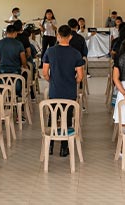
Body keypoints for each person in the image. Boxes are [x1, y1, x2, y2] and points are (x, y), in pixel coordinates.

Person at [42, 25, 84, 157]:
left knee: (53, 117)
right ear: (70, 37)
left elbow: (45, 73)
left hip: (54, 90)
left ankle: (51, 146)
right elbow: (80, 76)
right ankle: (64, 148)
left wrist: (51, 81)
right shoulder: (76, 53)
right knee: (67, 118)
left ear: (58, 36)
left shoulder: (50, 52)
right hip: (69, 91)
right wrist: (74, 82)